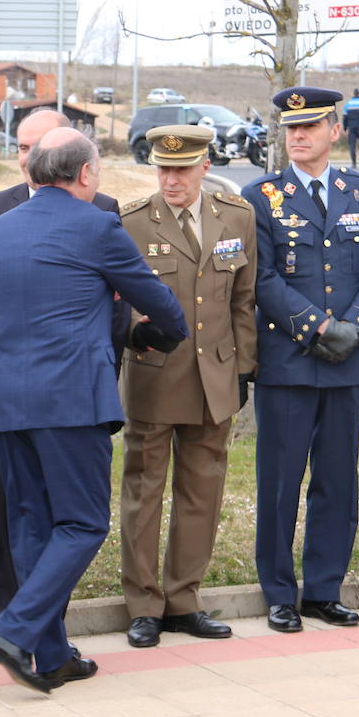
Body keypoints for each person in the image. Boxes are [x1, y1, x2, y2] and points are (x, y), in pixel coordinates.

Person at [0, 128, 186, 692]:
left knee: (29, 525)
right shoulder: (98, 226)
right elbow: (159, 302)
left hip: (4, 399)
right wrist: (164, 334)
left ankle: (51, 655)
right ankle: (13, 632)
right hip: (68, 400)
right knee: (83, 521)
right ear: (86, 174)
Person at [0, 107, 124, 622]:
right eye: (21, 148)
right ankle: (6, 620)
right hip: (5, 386)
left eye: (37, 147)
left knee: (65, 513)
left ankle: (46, 628)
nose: (28, 158)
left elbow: (117, 305)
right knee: (6, 509)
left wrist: (105, 371)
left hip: (75, 388)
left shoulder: (105, 207)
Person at [241, 88, 359, 633]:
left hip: (346, 363)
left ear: (335, 130)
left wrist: (353, 327)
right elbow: (259, 279)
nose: (298, 136)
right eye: (290, 128)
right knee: (281, 482)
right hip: (287, 363)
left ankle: (324, 588)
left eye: (310, 127)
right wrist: (317, 327)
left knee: (337, 480)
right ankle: (280, 592)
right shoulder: (260, 196)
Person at [118, 124, 257, 647]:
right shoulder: (132, 222)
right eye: (162, 168)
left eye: (181, 168)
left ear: (205, 166)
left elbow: (243, 299)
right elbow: (120, 303)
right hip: (156, 375)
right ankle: (143, 604)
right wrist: (136, 337)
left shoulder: (236, 218)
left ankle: (183, 598)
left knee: (202, 490)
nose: (171, 179)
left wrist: (244, 369)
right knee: (143, 490)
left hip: (215, 377)